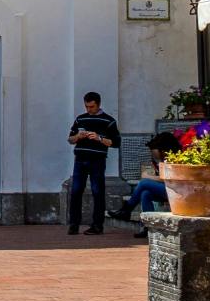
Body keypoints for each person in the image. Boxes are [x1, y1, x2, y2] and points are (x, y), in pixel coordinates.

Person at [67, 91, 121, 235]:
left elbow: (116, 143)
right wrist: (78, 136)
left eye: (91, 107)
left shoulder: (109, 121)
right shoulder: (81, 119)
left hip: (97, 160)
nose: (88, 110)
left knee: (98, 192)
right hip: (80, 159)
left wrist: (99, 138)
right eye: (86, 107)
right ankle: (74, 224)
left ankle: (97, 225)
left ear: (98, 104)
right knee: (76, 191)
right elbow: (70, 139)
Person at [109, 130, 180, 237]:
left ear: (162, 149)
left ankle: (126, 210)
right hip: (166, 189)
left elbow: (167, 178)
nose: (152, 153)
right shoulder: (162, 159)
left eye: (153, 150)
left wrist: (148, 177)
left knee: (144, 183)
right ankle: (147, 227)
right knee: (145, 194)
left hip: (175, 190)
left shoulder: (175, 158)